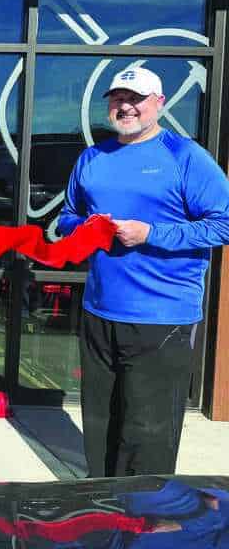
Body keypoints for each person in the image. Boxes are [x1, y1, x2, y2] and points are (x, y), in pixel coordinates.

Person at [59, 66, 229, 477]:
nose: (126, 106)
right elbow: (66, 219)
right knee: (100, 424)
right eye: (118, 98)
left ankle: (143, 521)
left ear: (159, 103)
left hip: (162, 317)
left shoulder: (185, 156)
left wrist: (151, 233)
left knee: (148, 432)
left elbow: (222, 223)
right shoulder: (93, 157)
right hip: (100, 311)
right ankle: (101, 503)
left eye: (136, 98)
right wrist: (86, 229)